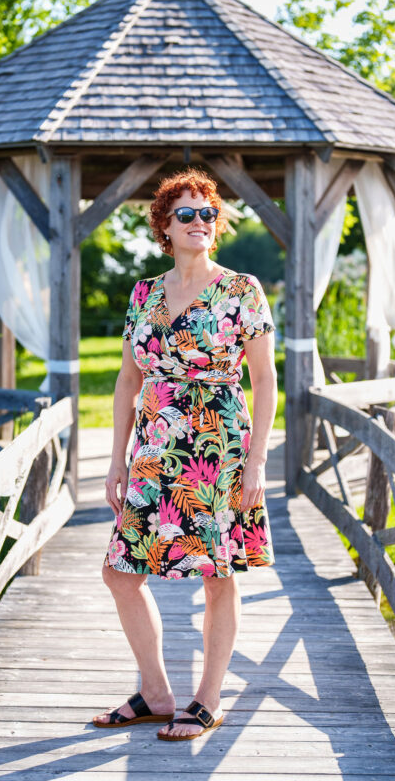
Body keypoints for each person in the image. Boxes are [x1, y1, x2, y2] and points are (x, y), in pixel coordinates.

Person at [92, 167, 278, 741]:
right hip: (153, 448)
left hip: (217, 448)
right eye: (187, 214)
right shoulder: (144, 293)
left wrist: (258, 462)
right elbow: (127, 381)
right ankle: (154, 692)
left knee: (217, 573)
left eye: (209, 213)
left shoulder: (243, 289)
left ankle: (207, 698)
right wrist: (116, 458)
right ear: (164, 227)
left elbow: (266, 380)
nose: (201, 222)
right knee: (119, 572)